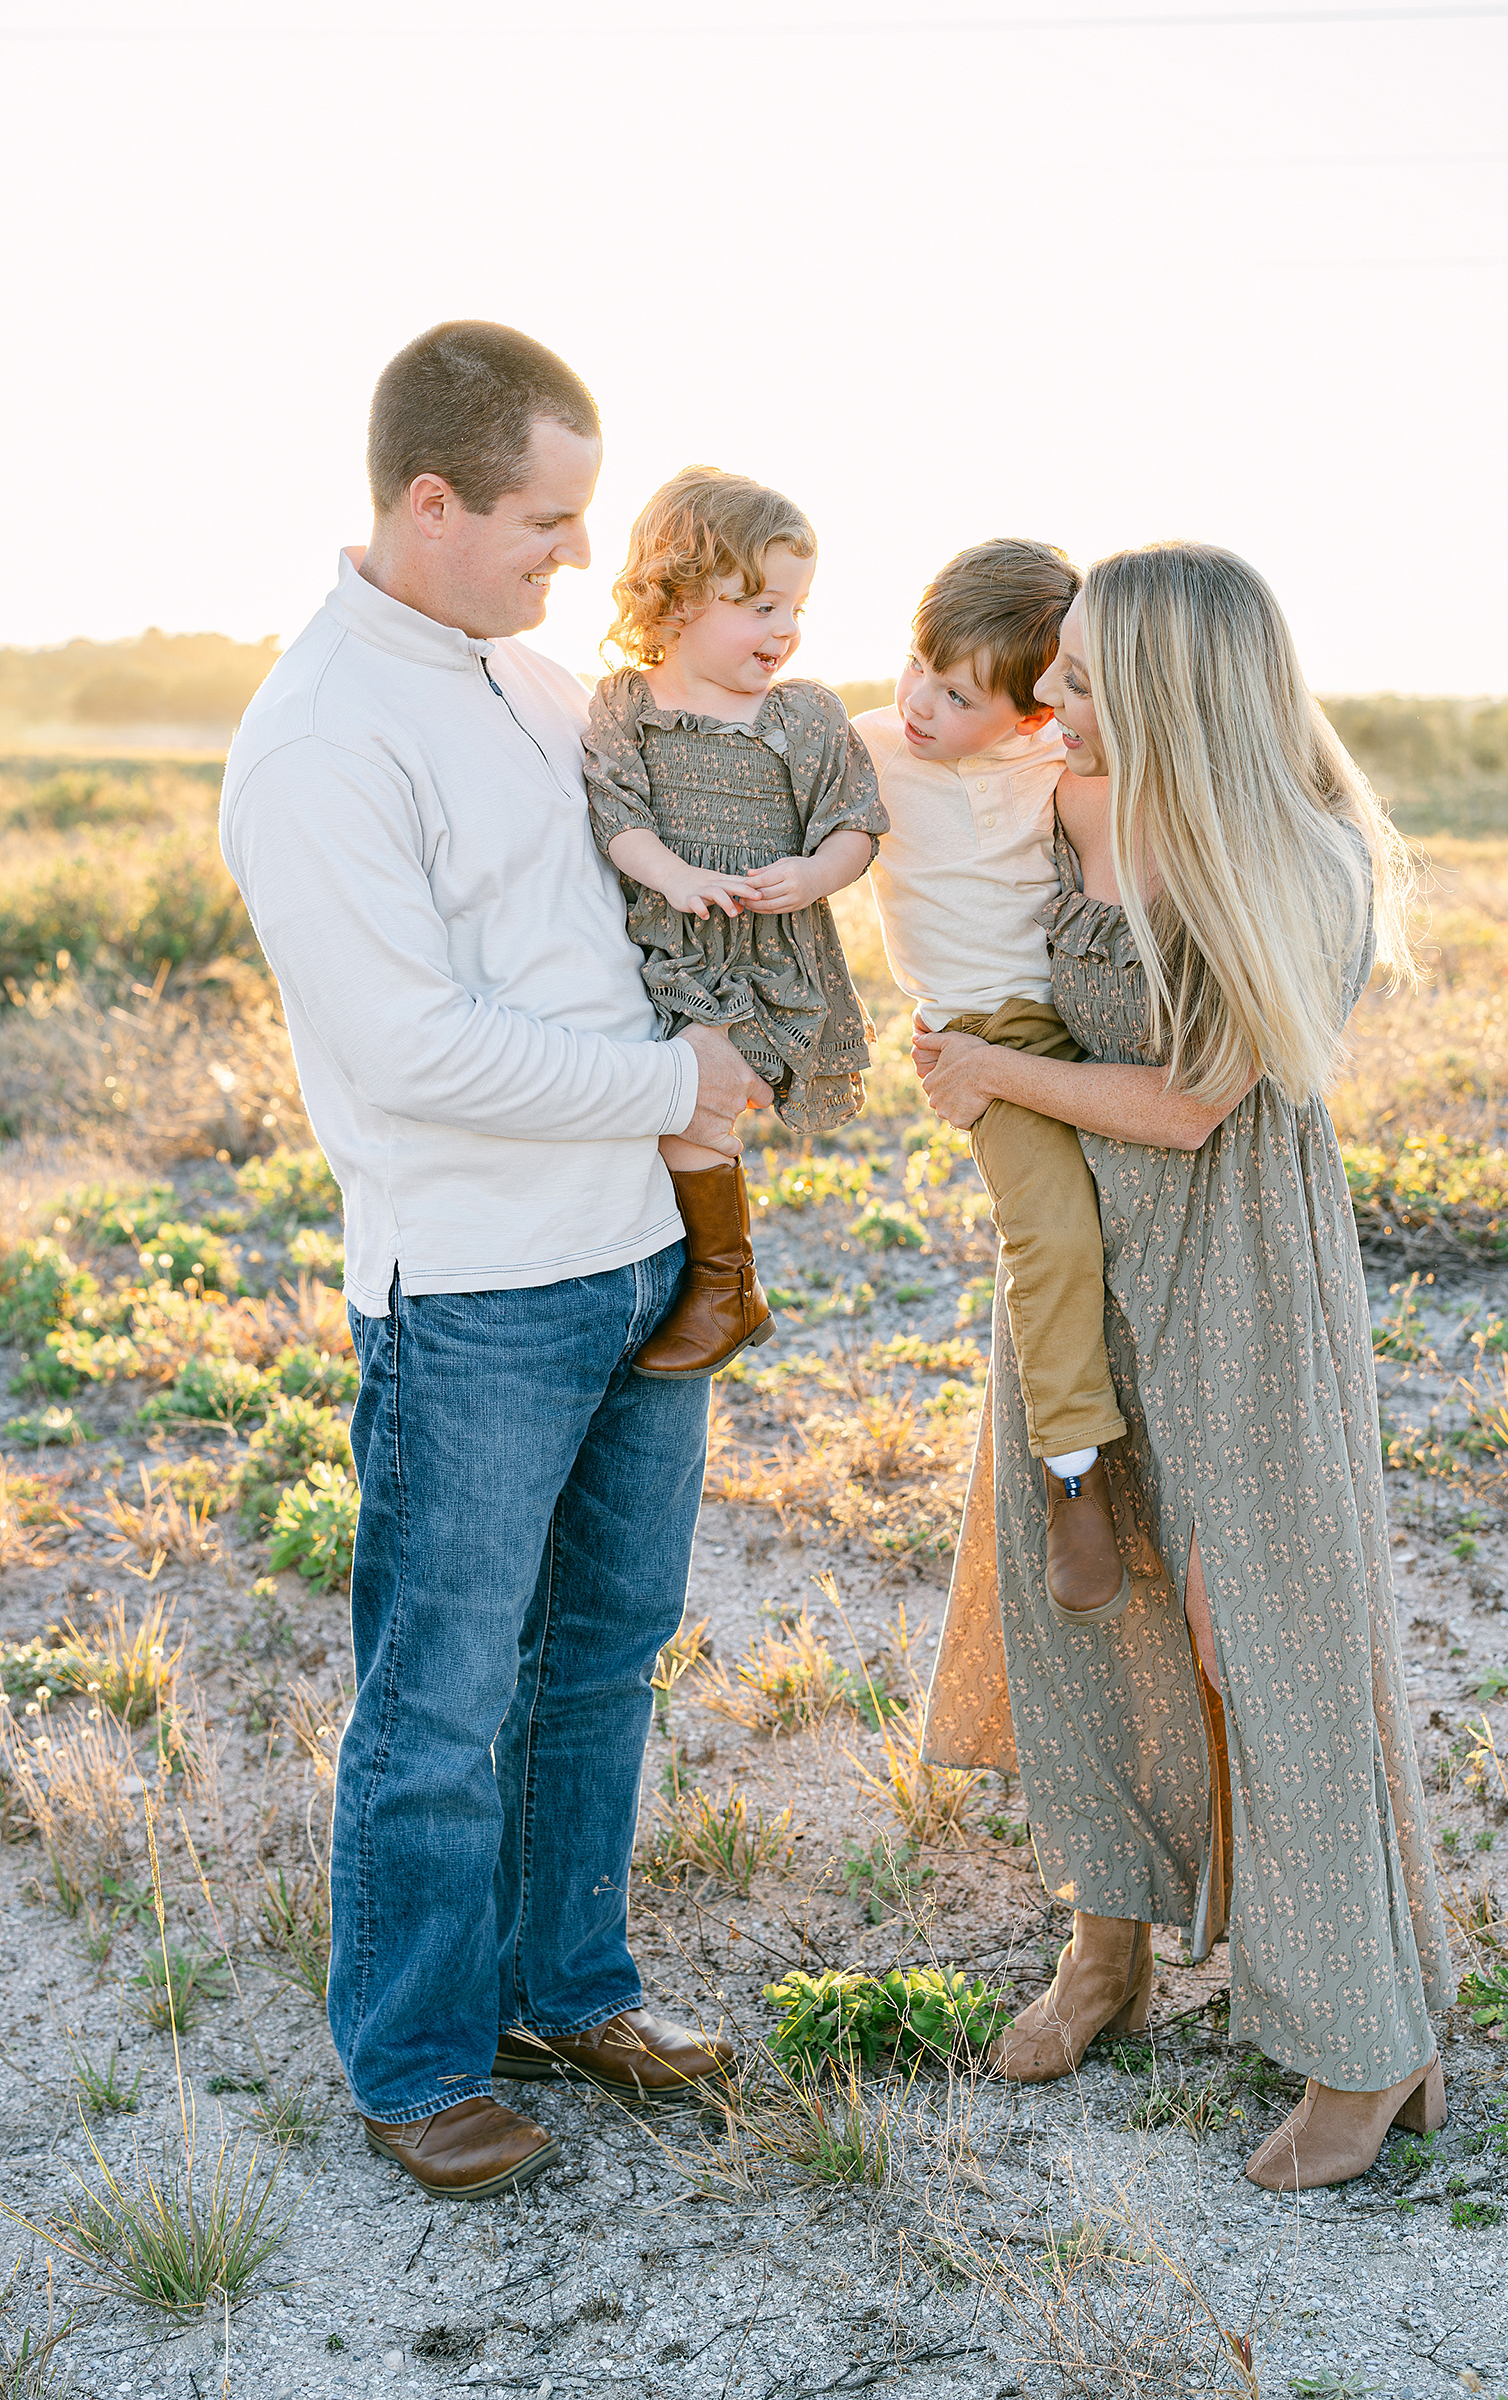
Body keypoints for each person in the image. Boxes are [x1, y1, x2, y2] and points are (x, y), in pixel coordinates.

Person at [220, 322, 770, 2204]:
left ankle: (568, 1987)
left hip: (643, 1259)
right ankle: (421, 2058)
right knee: (442, 1696)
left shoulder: (535, 687)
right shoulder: (315, 737)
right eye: (547, 520)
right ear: (430, 501)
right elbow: (411, 1050)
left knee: (603, 1658)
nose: (573, 558)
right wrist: (668, 1078)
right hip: (473, 1295)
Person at [915, 543, 1453, 2192]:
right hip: (1080, 1269)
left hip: (1234, 1278)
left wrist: (986, 1073)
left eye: (1078, 678)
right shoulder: (1067, 805)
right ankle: (1109, 1953)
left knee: (1258, 1636)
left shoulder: (1295, 860)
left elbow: (1188, 1108)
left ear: (1168, 692)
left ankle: (1366, 2044)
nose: (1047, 702)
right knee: (1082, 1597)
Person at [856, 540, 1128, 1615]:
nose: (919, 700)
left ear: (1027, 713)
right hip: (982, 1029)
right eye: (917, 663)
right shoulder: (866, 746)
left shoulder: (1061, 757)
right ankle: (1074, 1476)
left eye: (957, 694)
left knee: (1142, 1229)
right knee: (1053, 1234)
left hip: (1095, 1010)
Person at [583, 466, 887, 1379]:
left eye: (796, 606)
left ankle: (727, 1284)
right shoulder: (627, 706)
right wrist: (672, 876)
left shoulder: (804, 714)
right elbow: (617, 812)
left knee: (699, 1113)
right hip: (675, 948)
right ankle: (713, 1278)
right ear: (673, 600)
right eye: (757, 604)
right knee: (669, 1115)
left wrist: (814, 874)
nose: (784, 629)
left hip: (772, 953)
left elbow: (855, 820)